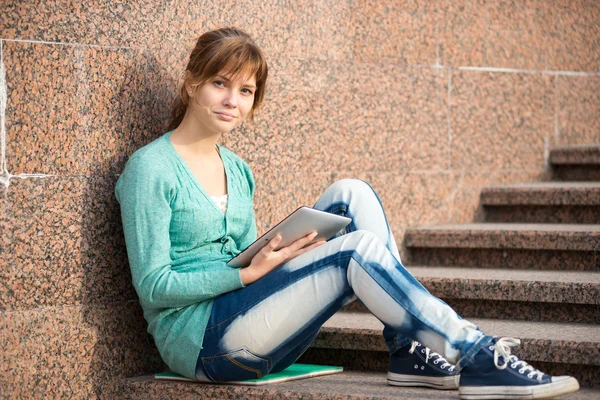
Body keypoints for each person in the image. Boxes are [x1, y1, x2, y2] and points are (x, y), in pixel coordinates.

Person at [114, 27, 579, 399]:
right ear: (193, 81)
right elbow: (154, 287)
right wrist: (244, 277)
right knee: (351, 252)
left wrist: (271, 258)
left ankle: (406, 349)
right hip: (202, 344)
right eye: (220, 83)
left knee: (350, 192)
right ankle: (476, 353)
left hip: (251, 322)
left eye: (246, 90)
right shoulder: (150, 169)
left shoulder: (236, 169)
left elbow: (243, 256)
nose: (233, 100)